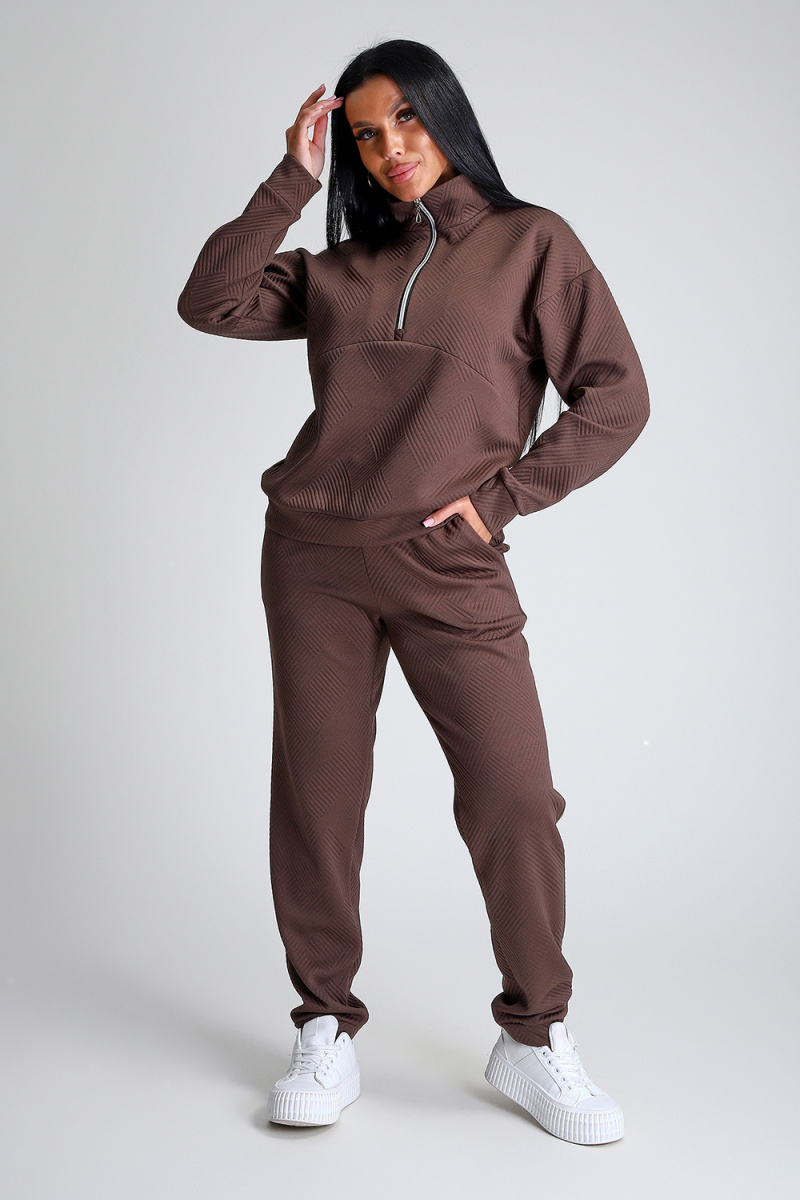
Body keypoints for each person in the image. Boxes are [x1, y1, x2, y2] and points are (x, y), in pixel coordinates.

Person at [177, 38, 649, 1145]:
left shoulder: (532, 244)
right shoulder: (339, 270)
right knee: (319, 795)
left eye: (407, 119)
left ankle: (533, 1034)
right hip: (313, 559)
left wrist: (505, 498)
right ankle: (323, 1023)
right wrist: (291, 179)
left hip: (449, 562)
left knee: (514, 797)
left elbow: (614, 395)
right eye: (365, 134)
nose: (390, 147)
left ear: (446, 114)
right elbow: (210, 300)